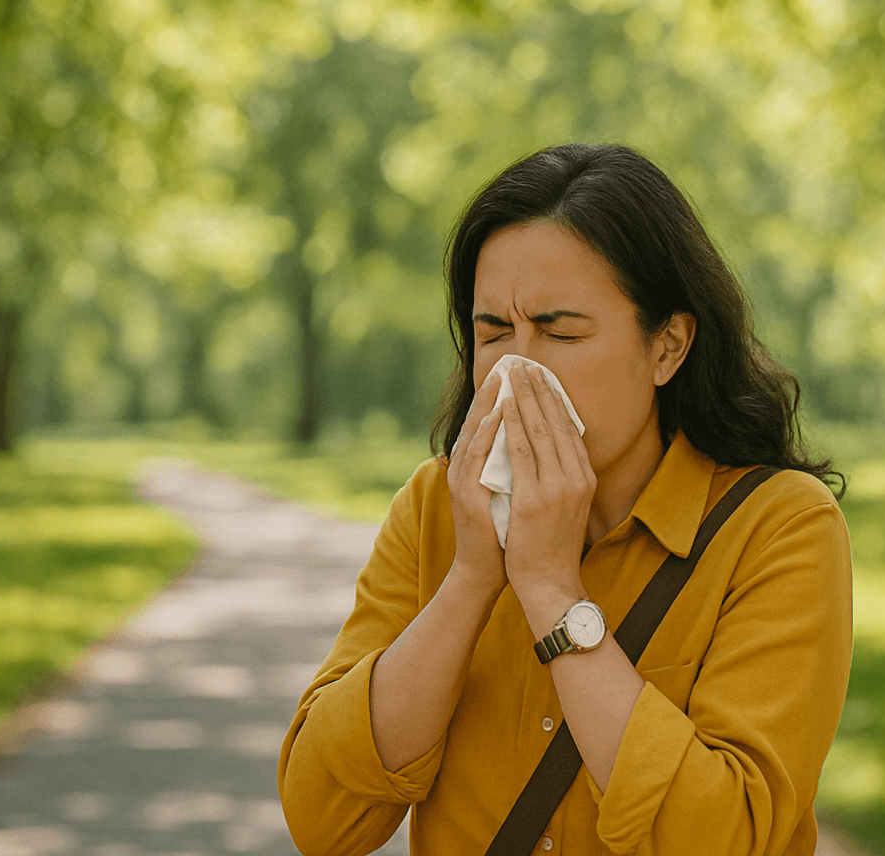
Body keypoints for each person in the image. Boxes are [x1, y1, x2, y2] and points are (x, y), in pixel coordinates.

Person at [277, 144, 853, 856]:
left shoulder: (781, 526)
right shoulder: (434, 506)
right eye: (494, 332)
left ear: (668, 346)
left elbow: (726, 835)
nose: (519, 368)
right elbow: (321, 820)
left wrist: (551, 591)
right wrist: (472, 579)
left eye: (560, 330)